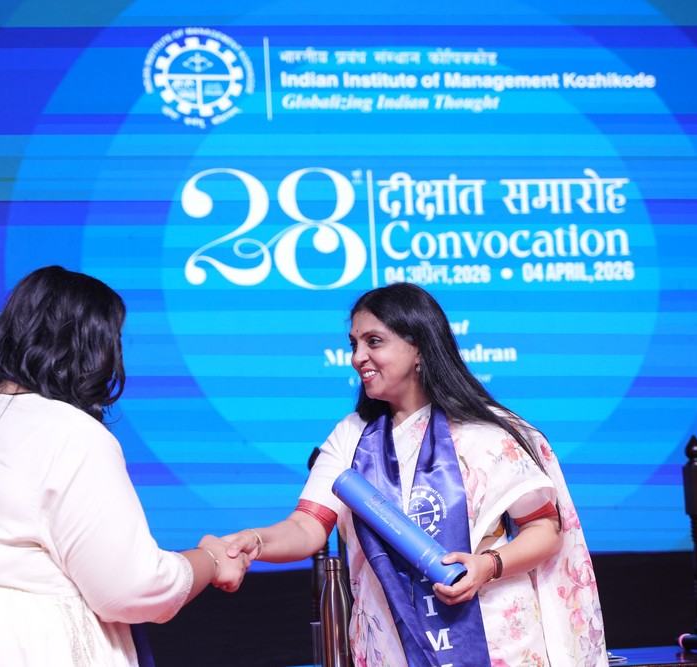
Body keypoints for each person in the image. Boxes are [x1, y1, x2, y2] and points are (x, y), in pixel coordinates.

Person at [0, 266, 248, 667]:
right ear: (92, 347)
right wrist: (210, 560)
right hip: (18, 645)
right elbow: (129, 588)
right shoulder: (72, 433)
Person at [221, 283, 607, 667]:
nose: (357, 357)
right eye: (353, 344)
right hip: (392, 647)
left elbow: (546, 529)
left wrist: (487, 566)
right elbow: (306, 528)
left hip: (497, 644)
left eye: (374, 341)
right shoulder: (351, 436)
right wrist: (255, 541)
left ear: (419, 346)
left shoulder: (487, 431)